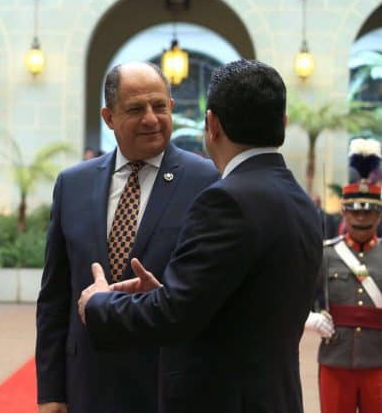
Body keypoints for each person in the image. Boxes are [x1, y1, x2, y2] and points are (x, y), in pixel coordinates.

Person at [78, 60, 323, 413]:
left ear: (212, 125)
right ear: (282, 124)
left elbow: (174, 316)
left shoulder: (226, 199)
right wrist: (171, 293)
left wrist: (99, 304)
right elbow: (243, 305)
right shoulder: (301, 200)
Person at [36, 61, 219, 413]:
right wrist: (51, 390)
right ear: (108, 117)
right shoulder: (73, 185)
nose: (151, 119)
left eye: (160, 106)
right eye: (136, 109)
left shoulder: (207, 182)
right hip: (88, 382)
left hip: (167, 384)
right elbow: (54, 297)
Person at [304, 138, 382, 413]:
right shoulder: (325, 254)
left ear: (379, 214)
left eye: (370, 210)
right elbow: (299, 298)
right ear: (344, 212)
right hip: (335, 359)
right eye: (356, 210)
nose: (363, 217)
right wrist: (310, 318)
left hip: (378, 362)